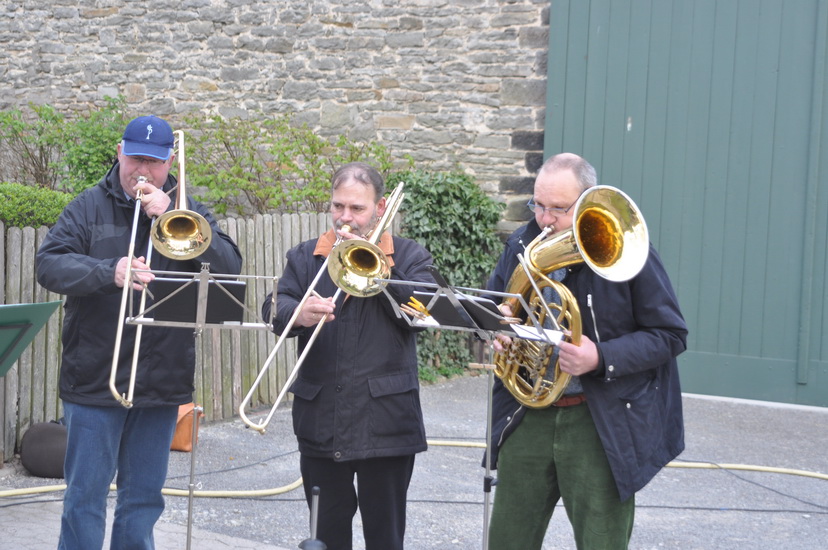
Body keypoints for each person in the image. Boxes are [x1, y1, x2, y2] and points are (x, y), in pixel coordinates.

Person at [36, 115, 243, 550]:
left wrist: (174, 213)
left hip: (161, 383)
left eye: (154, 161)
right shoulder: (87, 206)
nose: (143, 171)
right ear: (119, 153)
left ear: (171, 164)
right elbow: (49, 264)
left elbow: (230, 269)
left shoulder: (190, 211)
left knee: (144, 501)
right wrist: (105, 271)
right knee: (84, 499)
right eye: (135, 159)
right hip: (95, 379)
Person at [485, 152, 687, 549]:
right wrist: (497, 327)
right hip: (528, 414)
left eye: (558, 209)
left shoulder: (625, 249)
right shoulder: (522, 242)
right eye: (538, 205)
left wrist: (601, 357)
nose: (544, 219)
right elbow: (496, 306)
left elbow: (670, 334)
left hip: (597, 418)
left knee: (601, 541)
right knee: (508, 539)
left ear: (587, 202)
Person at [262, 162, 434, 550]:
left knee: (385, 539)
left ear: (380, 207)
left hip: (386, 424)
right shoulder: (307, 257)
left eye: (357, 209)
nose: (345, 218)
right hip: (321, 420)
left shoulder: (409, 256)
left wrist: (381, 270)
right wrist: (298, 313)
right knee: (325, 539)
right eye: (338, 206)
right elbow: (273, 305)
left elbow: (423, 313)